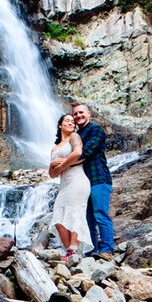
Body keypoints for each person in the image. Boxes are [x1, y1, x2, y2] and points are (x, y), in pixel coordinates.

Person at [73, 101, 114, 257]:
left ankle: (106, 250)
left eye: (81, 112)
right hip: (83, 182)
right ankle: (91, 251)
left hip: (99, 179)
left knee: (100, 214)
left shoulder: (96, 130)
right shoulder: (76, 135)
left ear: (88, 113)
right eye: (75, 113)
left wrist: (64, 163)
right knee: (88, 219)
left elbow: (86, 152)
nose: (78, 115)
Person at [49, 111, 92, 259]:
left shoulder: (74, 136)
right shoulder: (55, 148)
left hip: (77, 179)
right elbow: (52, 174)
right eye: (67, 121)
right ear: (60, 124)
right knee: (58, 218)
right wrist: (52, 166)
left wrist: (62, 166)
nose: (70, 123)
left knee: (75, 213)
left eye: (72, 122)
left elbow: (77, 153)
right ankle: (69, 250)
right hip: (64, 184)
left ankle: (72, 251)